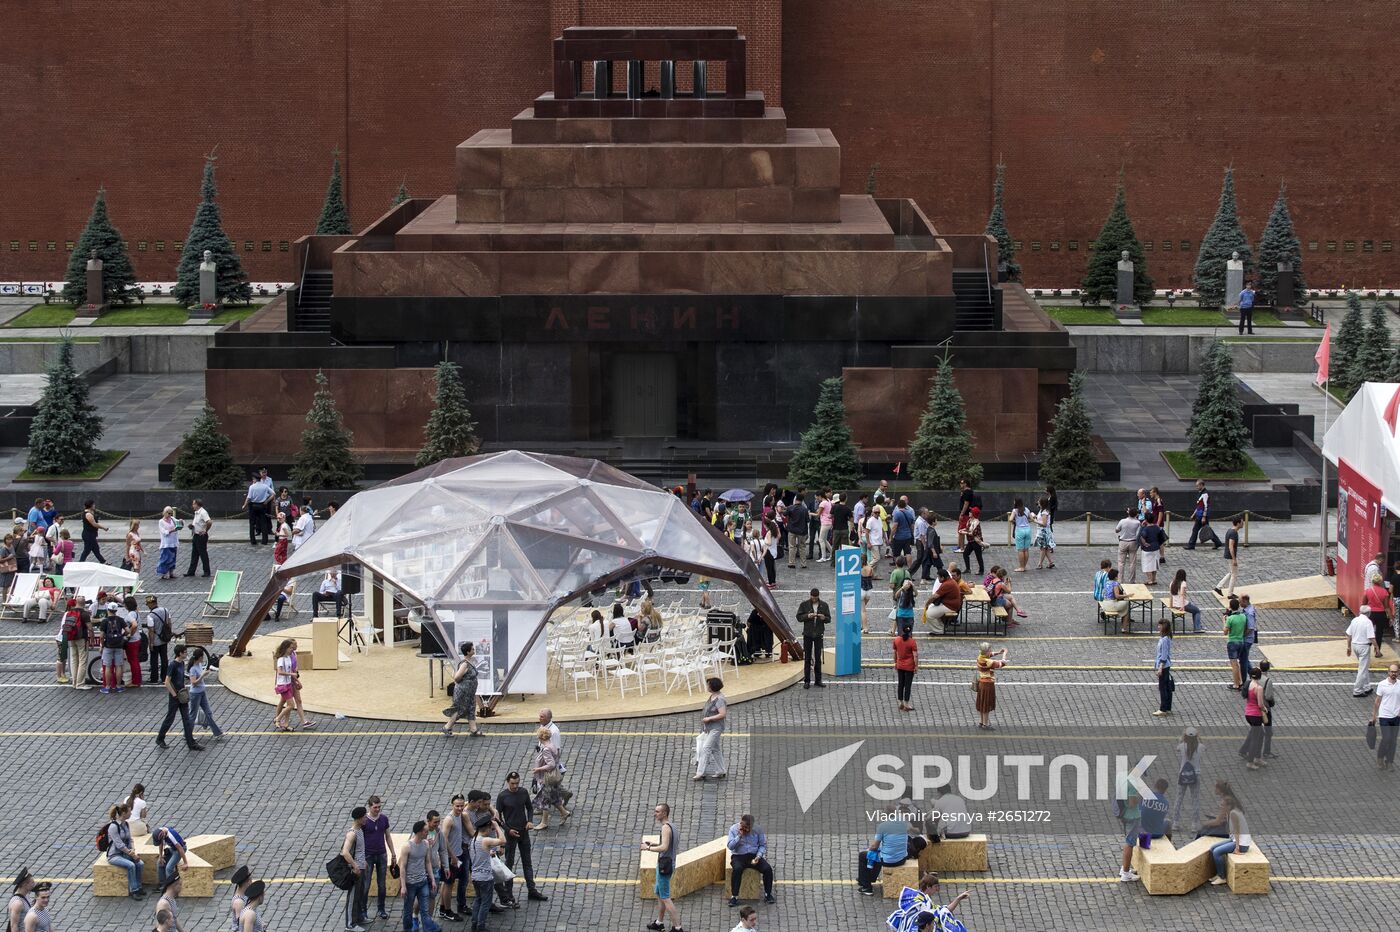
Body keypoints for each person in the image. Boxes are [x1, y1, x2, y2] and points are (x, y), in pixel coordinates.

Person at [498, 772, 547, 902]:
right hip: (511, 835)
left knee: (527, 863)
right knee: (509, 863)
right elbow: (498, 819)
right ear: (507, 782)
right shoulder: (502, 796)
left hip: (523, 832)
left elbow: (530, 808)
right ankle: (508, 893)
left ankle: (532, 889)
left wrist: (530, 821)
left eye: (517, 783)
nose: (515, 786)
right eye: (512, 783)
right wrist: (508, 830)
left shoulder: (523, 792)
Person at [642, 804, 681, 932]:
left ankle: (677, 927)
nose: (655, 814)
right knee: (659, 893)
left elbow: (664, 848)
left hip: (664, 866)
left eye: (657, 811)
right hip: (670, 862)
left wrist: (648, 848)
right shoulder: (672, 826)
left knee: (665, 897)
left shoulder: (665, 828)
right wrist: (655, 844)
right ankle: (659, 922)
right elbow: (668, 845)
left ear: (664, 813)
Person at [856, 804, 910, 895]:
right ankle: (868, 878)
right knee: (879, 854)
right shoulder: (904, 823)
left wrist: (869, 849)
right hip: (902, 858)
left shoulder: (883, 826)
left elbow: (874, 846)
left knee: (864, 855)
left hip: (889, 861)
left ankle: (866, 887)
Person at [156, 644, 202, 751]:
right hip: (175, 696)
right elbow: (167, 682)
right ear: (180, 653)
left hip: (181, 694)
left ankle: (191, 743)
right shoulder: (173, 665)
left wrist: (184, 690)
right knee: (170, 718)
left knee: (186, 719)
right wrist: (174, 694)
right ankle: (160, 738)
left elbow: (180, 680)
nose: (186, 654)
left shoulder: (181, 663)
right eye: (185, 652)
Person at [400, 819, 440, 932]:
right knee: (408, 910)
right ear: (419, 832)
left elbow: (427, 862)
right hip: (410, 884)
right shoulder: (407, 847)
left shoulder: (426, 844)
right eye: (426, 831)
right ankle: (407, 929)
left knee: (425, 909)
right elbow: (402, 867)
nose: (427, 833)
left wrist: (432, 879)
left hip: (422, 882)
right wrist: (403, 886)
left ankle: (428, 928)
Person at [725, 814, 774, 906]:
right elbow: (730, 846)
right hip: (738, 856)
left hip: (753, 855)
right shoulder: (733, 829)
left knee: (767, 869)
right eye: (744, 827)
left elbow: (762, 845)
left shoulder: (758, 830)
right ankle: (734, 896)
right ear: (741, 822)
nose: (746, 830)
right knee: (737, 869)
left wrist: (758, 856)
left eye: (748, 828)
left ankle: (768, 894)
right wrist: (739, 837)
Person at [362, 796, 397, 922]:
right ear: (369, 807)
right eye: (375, 807)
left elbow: (387, 836)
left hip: (382, 854)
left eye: (379, 807)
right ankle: (363, 910)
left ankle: (381, 909)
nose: (377, 809)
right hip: (368, 856)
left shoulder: (383, 819)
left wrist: (393, 853)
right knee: (366, 885)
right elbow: (360, 841)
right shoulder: (364, 821)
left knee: (382, 885)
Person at [1206, 791, 1251, 886]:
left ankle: (1222, 877)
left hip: (1242, 844)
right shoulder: (1230, 812)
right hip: (1235, 839)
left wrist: (1237, 848)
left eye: (1223, 805)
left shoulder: (1233, 814)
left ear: (1228, 806)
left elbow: (1237, 831)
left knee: (1216, 852)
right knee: (1212, 848)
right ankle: (1218, 873)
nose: (1220, 806)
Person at [530, 727, 571, 828]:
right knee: (554, 797)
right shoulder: (552, 745)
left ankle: (544, 822)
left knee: (545, 799)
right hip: (554, 777)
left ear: (540, 737)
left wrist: (538, 769)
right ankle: (564, 812)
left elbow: (551, 764)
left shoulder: (546, 749)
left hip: (547, 778)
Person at [104, 802, 145, 899]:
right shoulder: (113, 827)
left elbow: (130, 839)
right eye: (129, 812)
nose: (131, 814)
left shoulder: (126, 824)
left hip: (126, 853)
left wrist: (133, 850)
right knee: (131, 865)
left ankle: (139, 887)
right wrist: (131, 854)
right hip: (115, 855)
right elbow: (119, 845)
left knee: (140, 864)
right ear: (123, 813)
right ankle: (133, 890)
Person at [272, 638, 315, 731]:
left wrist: (296, 679)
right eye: (291, 647)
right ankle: (277, 719)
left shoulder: (289, 657)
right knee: (290, 705)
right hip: (283, 685)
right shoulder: (282, 659)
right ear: (286, 648)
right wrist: (292, 675)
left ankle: (285, 723)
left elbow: (293, 669)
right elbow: (280, 671)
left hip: (289, 682)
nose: (293, 649)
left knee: (288, 703)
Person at [442, 642, 483, 737]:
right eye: (472, 649)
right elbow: (456, 678)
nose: (474, 650)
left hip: (469, 692)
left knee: (470, 708)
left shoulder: (469, 662)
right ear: (468, 652)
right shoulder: (465, 664)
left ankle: (473, 729)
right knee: (460, 709)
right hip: (463, 692)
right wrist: (464, 678)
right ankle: (447, 727)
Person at [341, 806, 369, 932]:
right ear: (358, 819)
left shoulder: (360, 830)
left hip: (362, 868)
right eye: (364, 817)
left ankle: (358, 917)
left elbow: (360, 850)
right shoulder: (352, 834)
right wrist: (355, 865)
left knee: (359, 894)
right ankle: (350, 924)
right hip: (356, 871)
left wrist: (364, 862)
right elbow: (345, 852)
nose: (366, 819)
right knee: (353, 896)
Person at [695, 677, 728, 780]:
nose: (707, 686)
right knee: (715, 749)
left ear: (712, 687)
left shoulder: (720, 699)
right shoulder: (713, 696)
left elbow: (722, 714)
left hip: (716, 728)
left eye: (708, 684)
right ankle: (721, 770)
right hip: (710, 728)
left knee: (706, 748)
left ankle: (700, 772)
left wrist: (709, 718)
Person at [797, 589, 829, 689]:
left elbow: (829, 619)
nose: (814, 599)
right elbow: (799, 617)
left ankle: (818, 680)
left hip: (819, 634)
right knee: (807, 658)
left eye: (815, 597)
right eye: (812, 597)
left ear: (818, 596)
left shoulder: (824, 605)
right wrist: (807, 616)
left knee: (818, 658)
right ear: (810, 596)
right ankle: (807, 681)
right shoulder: (804, 604)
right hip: (808, 634)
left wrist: (824, 618)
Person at [1173, 730, 1204, 835]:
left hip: (1183, 775)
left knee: (1179, 798)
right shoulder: (1200, 747)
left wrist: (1182, 738)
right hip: (1196, 775)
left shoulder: (1182, 746)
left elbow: (1177, 748)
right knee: (1195, 799)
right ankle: (1194, 824)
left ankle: (1175, 822)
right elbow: (1204, 746)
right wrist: (1199, 739)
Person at [1371, 662, 1400, 771]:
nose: (1394, 673)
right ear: (1388, 672)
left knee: (1393, 741)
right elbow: (1377, 701)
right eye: (1392, 671)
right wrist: (1374, 715)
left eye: (1395, 671)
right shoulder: (1382, 684)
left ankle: (1390, 762)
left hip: (1396, 717)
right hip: (1384, 716)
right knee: (1387, 738)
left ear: (1398, 672)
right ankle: (1380, 758)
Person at [1115, 769, 1142, 883]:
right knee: (1129, 844)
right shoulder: (1132, 784)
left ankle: (1124, 869)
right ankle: (1126, 874)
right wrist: (1139, 798)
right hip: (1132, 816)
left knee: (1128, 842)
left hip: (1125, 815)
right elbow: (1131, 803)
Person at [974, 643, 1008, 730]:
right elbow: (1002, 663)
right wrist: (1004, 654)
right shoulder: (988, 662)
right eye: (989, 649)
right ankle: (986, 724)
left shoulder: (980, 657)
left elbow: (990, 654)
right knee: (986, 704)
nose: (990, 651)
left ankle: (981, 722)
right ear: (986, 651)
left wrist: (998, 652)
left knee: (982, 703)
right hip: (987, 685)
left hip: (981, 683)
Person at [1345, 606, 1376, 697]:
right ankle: (1357, 690)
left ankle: (1367, 687)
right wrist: (1377, 648)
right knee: (1362, 669)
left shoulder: (1354, 620)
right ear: (1369, 613)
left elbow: (1348, 634)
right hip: (1364, 646)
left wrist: (1348, 647)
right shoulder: (1368, 622)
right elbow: (1371, 637)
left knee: (1364, 666)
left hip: (1355, 646)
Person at [99, 601, 128, 694]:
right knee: (118, 666)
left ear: (108, 610)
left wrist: (101, 645)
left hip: (108, 645)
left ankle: (107, 687)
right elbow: (127, 630)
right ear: (116, 610)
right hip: (119, 645)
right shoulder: (120, 619)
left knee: (108, 666)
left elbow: (101, 635)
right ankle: (118, 686)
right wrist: (123, 635)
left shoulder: (105, 621)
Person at [1184, 480, 1222, 550]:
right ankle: (1218, 542)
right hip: (1200, 515)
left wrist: (1204, 517)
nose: (1196, 487)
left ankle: (1191, 545)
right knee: (1207, 530)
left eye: (1197, 485)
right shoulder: (1201, 493)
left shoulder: (1205, 494)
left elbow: (1205, 506)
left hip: (1202, 516)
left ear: (1201, 485)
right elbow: (1199, 506)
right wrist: (1193, 514)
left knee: (1195, 530)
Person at [923, 569, 961, 636]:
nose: (938, 579)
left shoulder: (947, 584)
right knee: (931, 608)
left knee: (929, 614)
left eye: (938, 577)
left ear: (943, 577)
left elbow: (934, 597)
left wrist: (927, 604)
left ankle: (939, 630)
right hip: (950, 604)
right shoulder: (950, 581)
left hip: (950, 606)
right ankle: (941, 627)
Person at [1363, 573, 1393, 659]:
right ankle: (1377, 651)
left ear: (1372, 581)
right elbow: (1387, 607)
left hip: (1370, 614)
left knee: (1368, 632)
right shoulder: (1384, 592)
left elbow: (1363, 604)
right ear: (1380, 582)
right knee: (1379, 633)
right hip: (1381, 614)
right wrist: (1391, 617)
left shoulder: (1368, 591)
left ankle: (1365, 650)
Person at [151, 825, 188, 889]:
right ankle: (163, 884)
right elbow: (161, 844)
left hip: (179, 850)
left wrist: (185, 863)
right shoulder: (160, 831)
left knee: (169, 868)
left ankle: (172, 887)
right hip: (173, 849)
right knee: (160, 863)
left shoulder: (171, 836)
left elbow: (180, 849)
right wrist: (160, 856)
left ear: (162, 835)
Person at [1214, 516, 1243, 597]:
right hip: (1230, 556)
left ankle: (1218, 587)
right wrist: (1234, 559)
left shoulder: (1230, 530)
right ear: (1238, 523)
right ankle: (1230, 594)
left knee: (1231, 572)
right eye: (1242, 522)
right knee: (1234, 574)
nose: (1243, 523)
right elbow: (1231, 546)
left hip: (1228, 555)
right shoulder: (1233, 533)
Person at [145, 596, 171, 686]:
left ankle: (154, 678)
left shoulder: (150, 616)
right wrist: (168, 634)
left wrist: (151, 643)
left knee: (154, 660)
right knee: (164, 659)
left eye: (148, 604)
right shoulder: (165, 610)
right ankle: (164, 677)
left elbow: (151, 631)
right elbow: (169, 623)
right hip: (164, 639)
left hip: (156, 641)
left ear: (152, 603)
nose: (147, 606)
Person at [242, 473, 273, 546]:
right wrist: (266, 501)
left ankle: (253, 541)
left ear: (255, 479)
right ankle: (264, 541)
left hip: (253, 506)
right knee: (263, 523)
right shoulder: (265, 486)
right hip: (262, 505)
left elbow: (249, 498)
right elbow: (273, 493)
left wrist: (244, 505)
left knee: (252, 523)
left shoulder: (252, 487)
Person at [184, 500, 212, 578]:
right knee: (194, 554)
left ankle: (207, 571)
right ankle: (191, 571)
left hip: (201, 536)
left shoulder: (203, 512)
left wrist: (205, 531)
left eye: (193, 504)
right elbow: (198, 523)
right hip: (195, 535)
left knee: (203, 554)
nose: (192, 505)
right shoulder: (197, 512)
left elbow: (209, 522)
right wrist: (192, 526)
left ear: (197, 504)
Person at [1223, 597, 1246, 690]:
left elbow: (1225, 632)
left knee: (1234, 665)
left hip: (1232, 642)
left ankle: (1236, 684)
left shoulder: (1230, 618)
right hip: (1241, 641)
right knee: (1238, 664)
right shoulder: (1243, 617)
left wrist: (1224, 620)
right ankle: (1240, 681)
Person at [894, 624, 918, 712]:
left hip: (900, 665)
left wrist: (895, 662)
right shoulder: (912, 642)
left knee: (901, 684)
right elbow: (915, 656)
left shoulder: (897, 640)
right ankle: (906, 703)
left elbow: (895, 652)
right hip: (909, 666)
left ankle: (900, 702)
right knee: (907, 685)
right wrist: (916, 666)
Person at [1114, 507, 1141, 584]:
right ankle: (1132, 580)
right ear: (1136, 514)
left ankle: (1120, 580)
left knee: (1121, 562)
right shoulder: (1137, 523)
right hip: (1133, 542)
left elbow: (1117, 530)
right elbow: (1139, 533)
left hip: (1123, 541)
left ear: (1128, 513)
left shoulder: (1123, 521)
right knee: (1132, 563)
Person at [1153, 619, 1174, 717]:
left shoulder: (1165, 639)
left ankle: (1163, 708)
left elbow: (1164, 655)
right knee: (1166, 687)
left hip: (1164, 666)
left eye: (1160, 625)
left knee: (1163, 688)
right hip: (1166, 665)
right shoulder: (1166, 638)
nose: (1158, 627)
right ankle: (1167, 707)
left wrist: (1160, 667)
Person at [1099, 569, 1129, 634]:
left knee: (1123, 604)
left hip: (1105, 604)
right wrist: (1127, 595)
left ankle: (1123, 623)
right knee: (1127, 605)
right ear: (1115, 577)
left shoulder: (1106, 582)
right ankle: (1124, 627)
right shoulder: (1115, 584)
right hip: (1111, 604)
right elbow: (1117, 596)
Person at [1137, 517, 1165, 586]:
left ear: (1146, 520)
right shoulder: (1157, 527)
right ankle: (1154, 579)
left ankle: (1149, 580)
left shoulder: (1145, 528)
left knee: (1147, 565)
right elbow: (1161, 536)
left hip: (1148, 549)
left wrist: (1144, 543)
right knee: (1154, 564)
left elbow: (1141, 536)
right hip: (1156, 547)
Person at [785, 493, 809, 570]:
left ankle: (791, 563)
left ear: (795, 499)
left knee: (792, 546)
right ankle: (803, 564)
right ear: (802, 500)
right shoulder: (805, 510)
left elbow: (785, 514)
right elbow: (807, 520)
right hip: (802, 531)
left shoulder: (790, 508)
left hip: (792, 529)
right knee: (802, 547)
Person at [227, 865, 254, 932]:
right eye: (251, 880)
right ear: (247, 882)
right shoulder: (239, 902)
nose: (252, 882)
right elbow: (242, 925)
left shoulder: (244, 896)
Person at [1009, 498, 1033, 572]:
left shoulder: (1015, 510)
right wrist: (1026, 521)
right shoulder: (1027, 509)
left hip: (1019, 530)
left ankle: (1021, 567)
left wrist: (1015, 521)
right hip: (1028, 530)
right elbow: (1031, 519)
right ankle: (1024, 566)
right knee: (1026, 549)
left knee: (1020, 550)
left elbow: (1010, 519)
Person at [9, 868, 35, 932]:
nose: (34, 884)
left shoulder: (25, 895)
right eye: (32, 882)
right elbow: (14, 925)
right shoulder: (17, 903)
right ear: (24, 884)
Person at [1033, 498, 1055, 570]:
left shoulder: (1044, 512)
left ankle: (1040, 564)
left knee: (1042, 548)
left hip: (1043, 532)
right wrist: (1035, 517)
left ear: (1042, 503)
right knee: (1045, 549)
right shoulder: (1042, 511)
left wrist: (1035, 521)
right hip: (1043, 531)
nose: (1038, 503)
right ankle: (1051, 562)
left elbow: (1044, 524)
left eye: (1039, 502)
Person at [961, 507, 985, 575]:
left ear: (974, 514)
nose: (969, 512)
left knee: (978, 556)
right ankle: (968, 569)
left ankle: (981, 570)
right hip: (971, 541)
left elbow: (973, 533)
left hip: (976, 541)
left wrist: (964, 532)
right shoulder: (970, 520)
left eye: (971, 512)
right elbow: (967, 529)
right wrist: (963, 530)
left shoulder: (976, 522)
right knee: (965, 554)